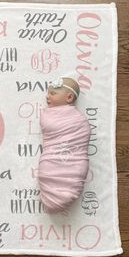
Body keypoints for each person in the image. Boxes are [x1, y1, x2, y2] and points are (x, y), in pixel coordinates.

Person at [38, 77, 91, 213]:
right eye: (48, 93)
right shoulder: (47, 115)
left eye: (53, 93)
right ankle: (51, 197)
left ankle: (64, 194)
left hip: (74, 161)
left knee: (73, 175)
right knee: (48, 172)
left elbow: (82, 136)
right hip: (51, 160)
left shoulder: (79, 120)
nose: (47, 96)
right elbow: (48, 127)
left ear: (69, 97)